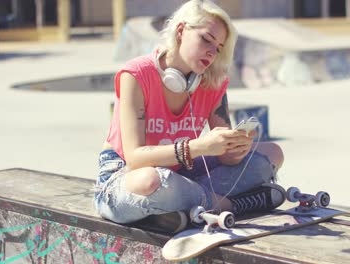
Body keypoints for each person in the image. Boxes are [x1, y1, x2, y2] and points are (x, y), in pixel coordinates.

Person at [93, 0, 285, 226]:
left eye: (219, 47)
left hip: (182, 175)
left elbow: (224, 156)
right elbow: (135, 159)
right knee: (150, 180)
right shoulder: (136, 74)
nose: (212, 52)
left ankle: (183, 208)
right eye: (206, 39)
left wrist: (235, 149)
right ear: (181, 30)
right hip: (125, 177)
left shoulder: (212, 82)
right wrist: (199, 147)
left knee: (272, 154)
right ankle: (228, 205)